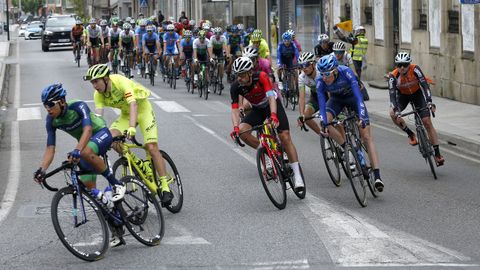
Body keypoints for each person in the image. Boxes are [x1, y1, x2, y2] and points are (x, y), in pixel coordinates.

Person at [83, 64, 174, 203]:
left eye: (96, 81)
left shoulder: (120, 82)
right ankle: (137, 163)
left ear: (106, 79)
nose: (94, 85)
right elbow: (99, 119)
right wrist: (96, 139)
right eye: (92, 82)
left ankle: (165, 186)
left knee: (151, 147)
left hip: (142, 111)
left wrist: (132, 127)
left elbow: (133, 105)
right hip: (126, 115)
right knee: (111, 138)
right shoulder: (98, 95)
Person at [34, 83, 126, 199]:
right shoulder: (51, 120)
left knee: (85, 152)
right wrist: (42, 169)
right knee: (89, 186)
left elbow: (88, 129)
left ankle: (117, 184)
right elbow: (50, 148)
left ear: (62, 101)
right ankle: (108, 206)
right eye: (45, 105)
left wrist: (77, 149)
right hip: (85, 144)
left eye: (51, 104)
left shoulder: (78, 106)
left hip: (100, 132)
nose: (48, 109)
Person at [229, 57, 305, 192]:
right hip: (257, 109)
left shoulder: (262, 77)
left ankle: (298, 176)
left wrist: (274, 116)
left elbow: (271, 97)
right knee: (242, 132)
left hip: (272, 105)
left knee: (285, 136)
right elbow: (234, 108)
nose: (239, 78)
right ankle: (266, 151)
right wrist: (235, 127)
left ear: (250, 72)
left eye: (241, 75)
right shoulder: (236, 86)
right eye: (237, 75)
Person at [316, 54, 385, 192]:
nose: (324, 77)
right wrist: (324, 122)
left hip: (353, 98)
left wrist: (362, 116)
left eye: (327, 74)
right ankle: (346, 148)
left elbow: (359, 97)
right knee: (325, 123)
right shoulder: (320, 81)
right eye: (322, 74)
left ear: (335, 70)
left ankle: (377, 176)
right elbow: (322, 104)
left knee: (365, 136)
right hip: (336, 100)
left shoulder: (345, 72)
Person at [388, 52, 445, 166]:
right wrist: (397, 110)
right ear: (396, 66)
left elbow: (424, 85)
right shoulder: (393, 76)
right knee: (392, 114)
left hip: (417, 94)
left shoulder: (415, 69)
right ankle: (411, 134)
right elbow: (392, 95)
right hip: (403, 96)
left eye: (404, 64)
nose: (402, 67)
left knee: (427, 122)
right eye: (399, 65)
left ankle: (438, 154)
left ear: (409, 64)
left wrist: (429, 102)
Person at [297, 52, 322, 135]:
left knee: (335, 121)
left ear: (313, 64)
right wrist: (301, 115)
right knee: (306, 117)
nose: (304, 68)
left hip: (329, 95)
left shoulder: (321, 71)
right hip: (316, 97)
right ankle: (323, 135)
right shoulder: (301, 77)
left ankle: (346, 144)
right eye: (301, 66)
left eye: (306, 64)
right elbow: (302, 97)